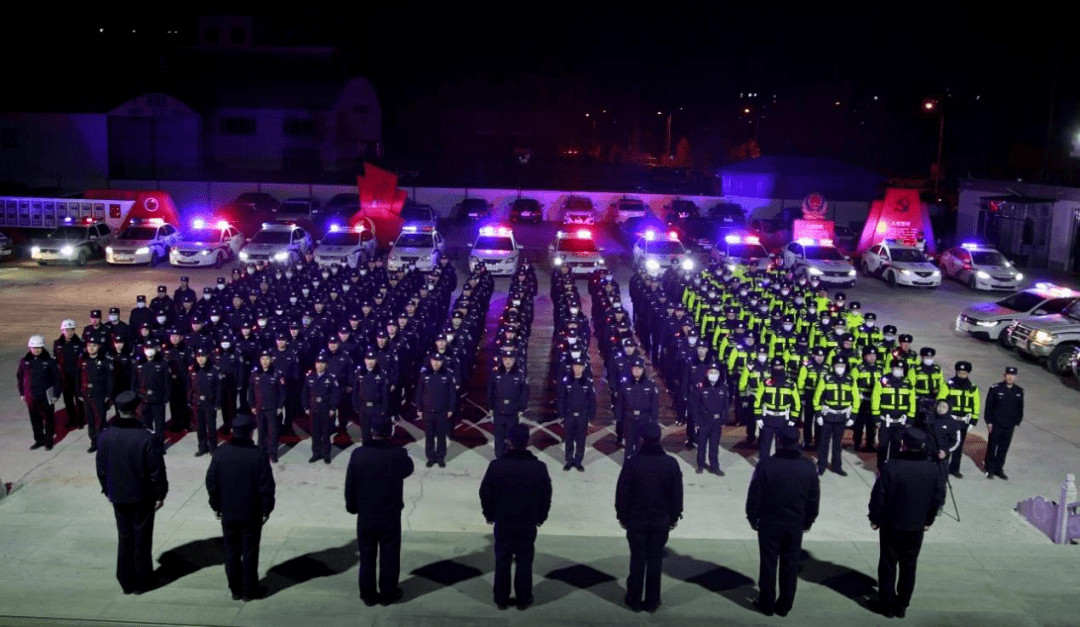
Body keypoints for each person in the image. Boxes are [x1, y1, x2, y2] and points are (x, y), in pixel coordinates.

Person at [868, 428, 946, 618]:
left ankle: (886, 605)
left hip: (892, 525)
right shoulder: (932, 469)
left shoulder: (891, 466)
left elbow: (879, 495)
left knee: (888, 564)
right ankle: (902, 604)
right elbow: (938, 498)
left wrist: (875, 518)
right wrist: (929, 520)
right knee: (909, 565)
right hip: (916, 526)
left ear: (903, 444)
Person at [95, 391, 168, 595]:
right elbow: (156, 471)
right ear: (137, 410)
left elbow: (101, 468)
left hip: (119, 496)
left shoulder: (106, 435)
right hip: (142, 497)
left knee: (125, 538)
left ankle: (126, 581)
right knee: (142, 539)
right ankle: (142, 581)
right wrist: (160, 494)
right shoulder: (146, 436)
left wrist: (108, 491)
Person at [745, 425, 820, 617]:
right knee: (790, 565)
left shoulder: (766, 465)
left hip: (770, 522)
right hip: (794, 524)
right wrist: (808, 521)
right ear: (799, 442)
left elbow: (755, 495)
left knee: (768, 563)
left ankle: (766, 602)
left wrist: (753, 517)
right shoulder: (808, 467)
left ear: (778, 441)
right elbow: (813, 499)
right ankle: (785, 605)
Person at [479, 423, 552, 610]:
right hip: (527, 522)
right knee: (524, 561)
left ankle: (501, 599)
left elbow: (485, 492)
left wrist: (489, 514)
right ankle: (523, 598)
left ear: (508, 442)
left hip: (503, 521)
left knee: (502, 560)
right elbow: (546, 495)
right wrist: (540, 517)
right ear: (527, 442)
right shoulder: (539, 468)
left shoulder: (497, 466)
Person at [206, 414, 276, 601]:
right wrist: (266, 509)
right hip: (251, 514)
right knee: (250, 552)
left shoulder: (220, 454)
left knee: (231, 552)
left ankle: (235, 589)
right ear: (251, 432)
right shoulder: (258, 455)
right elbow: (266, 486)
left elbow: (211, 482)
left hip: (228, 512)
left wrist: (216, 505)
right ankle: (250, 590)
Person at [345, 421, 415, 606]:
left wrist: (352, 506)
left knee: (367, 556)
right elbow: (408, 469)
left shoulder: (359, 454)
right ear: (390, 433)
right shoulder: (398, 454)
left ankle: (368, 594)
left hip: (366, 513)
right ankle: (388, 593)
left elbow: (350, 483)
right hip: (389, 513)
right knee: (390, 554)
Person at [615, 422, 683, 613]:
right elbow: (676, 494)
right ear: (659, 438)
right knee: (655, 561)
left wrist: (622, 515)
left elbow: (622, 493)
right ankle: (652, 601)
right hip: (660, 520)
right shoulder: (670, 464)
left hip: (637, 519)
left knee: (637, 560)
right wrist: (674, 516)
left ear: (642, 439)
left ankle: (634, 599)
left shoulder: (632, 462)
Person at [17, 334, 62, 451]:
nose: (36, 350)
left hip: (46, 397)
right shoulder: (24, 361)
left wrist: (56, 394)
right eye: (34, 347)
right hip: (31, 397)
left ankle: (48, 441)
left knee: (48, 420)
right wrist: (22, 393)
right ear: (30, 348)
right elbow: (20, 378)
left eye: (39, 347)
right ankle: (39, 440)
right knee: (35, 420)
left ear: (43, 348)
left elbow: (56, 379)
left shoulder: (50, 361)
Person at [416, 352, 456, 468]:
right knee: (429, 436)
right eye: (434, 360)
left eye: (438, 361)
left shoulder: (447, 375)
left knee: (441, 436)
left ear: (442, 362)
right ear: (430, 361)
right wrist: (419, 408)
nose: (436, 363)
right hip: (428, 411)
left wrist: (451, 409)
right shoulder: (424, 374)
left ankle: (440, 457)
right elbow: (419, 392)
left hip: (442, 411)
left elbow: (452, 394)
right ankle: (430, 457)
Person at [984, 366, 1024, 480]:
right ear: (1004, 376)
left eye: (1013, 376)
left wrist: (1017, 423)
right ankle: (989, 469)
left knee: (1003, 448)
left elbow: (1020, 408)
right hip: (996, 424)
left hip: (1009, 425)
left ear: (1015, 377)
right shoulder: (995, 388)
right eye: (1008, 375)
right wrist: (989, 422)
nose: (1010, 377)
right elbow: (989, 406)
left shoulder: (1018, 391)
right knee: (992, 447)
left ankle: (998, 469)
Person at [557, 358, 595, 471]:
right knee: (568, 438)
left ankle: (578, 460)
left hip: (582, 416)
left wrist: (591, 416)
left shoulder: (588, 383)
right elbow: (562, 398)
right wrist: (561, 414)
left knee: (581, 439)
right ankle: (569, 460)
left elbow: (592, 400)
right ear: (572, 367)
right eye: (575, 366)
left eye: (580, 367)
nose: (577, 369)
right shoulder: (567, 381)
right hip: (569, 415)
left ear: (583, 368)